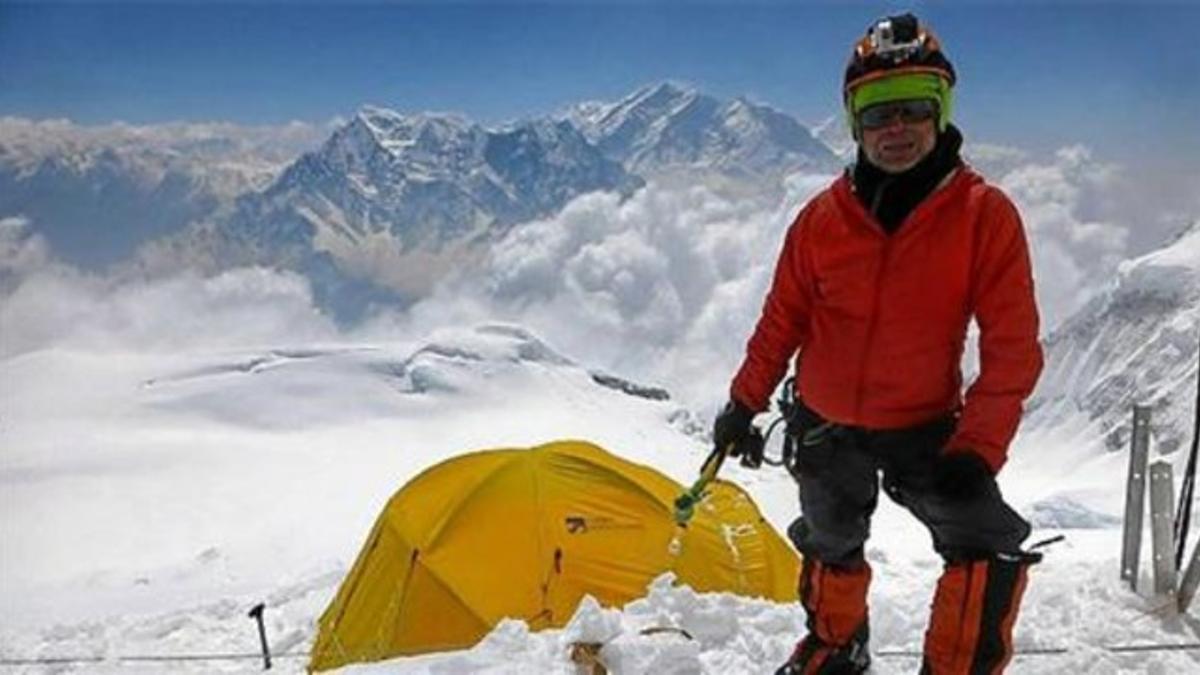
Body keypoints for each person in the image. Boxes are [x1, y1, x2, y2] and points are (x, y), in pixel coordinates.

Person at [711, 13, 1044, 675]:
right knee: (831, 540)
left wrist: (978, 448)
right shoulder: (820, 220)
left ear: (941, 109)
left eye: (914, 107)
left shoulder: (984, 215)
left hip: (925, 423)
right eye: (876, 112)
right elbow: (783, 319)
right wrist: (742, 403)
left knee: (985, 541)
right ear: (853, 122)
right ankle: (836, 648)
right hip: (826, 420)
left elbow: (1012, 347)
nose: (895, 128)